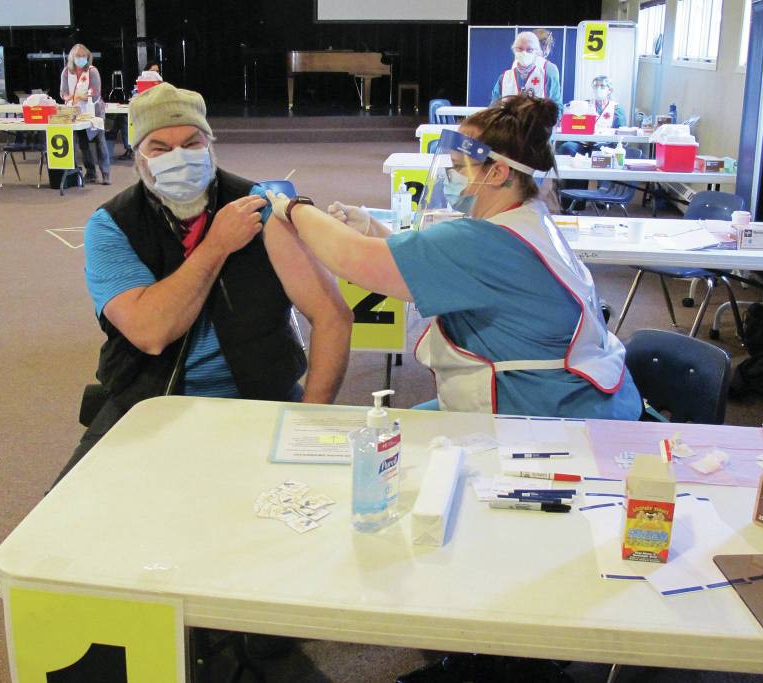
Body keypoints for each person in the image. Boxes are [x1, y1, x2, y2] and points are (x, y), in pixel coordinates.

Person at [266, 94, 642, 421]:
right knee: (401, 430)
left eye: (461, 168)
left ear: (498, 172)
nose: (452, 176)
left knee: (396, 445)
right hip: (585, 398)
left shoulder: (480, 241)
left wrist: (295, 208)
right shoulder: (528, 219)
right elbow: (430, 265)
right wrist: (372, 228)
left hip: (546, 418)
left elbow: (351, 260)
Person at [54, 82, 352, 484]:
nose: (179, 158)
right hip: (148, 400)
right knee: (69, 519)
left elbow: (332, 315)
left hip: (258, 399)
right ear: (139, 156)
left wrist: (312, 424)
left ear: (211, 144)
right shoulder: (112, 227)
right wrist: (217, 245)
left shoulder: (260, 208)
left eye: (192, 143)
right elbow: (151, 332)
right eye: (160, 149)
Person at [60, 44, 112, 184]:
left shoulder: (92, 71)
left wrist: (79, 97)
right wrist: (68, 98)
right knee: (83, 144)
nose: (81, 59)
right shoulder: (66, 72)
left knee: (100, 142)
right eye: (78, 56)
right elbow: (63, 92)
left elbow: (95, 94)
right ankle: (91, 172)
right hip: (76, 113)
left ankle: (106, 173)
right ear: (72, 57)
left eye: (84, 56)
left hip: (94, 111)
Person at [491, 32, 562, 118]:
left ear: (537, 52)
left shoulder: (547, 77)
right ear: (514, 50)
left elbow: (557, 109)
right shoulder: (504, 78)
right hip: (509, 129)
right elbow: (493, 109)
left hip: (537, 129)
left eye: (529, 50)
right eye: (520, 49)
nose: (524, 53)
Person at [558, 75, 628, 157]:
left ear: (610, 90)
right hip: (583, 144)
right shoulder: (584, 105)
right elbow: (573, 123)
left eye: (602, 86)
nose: (598, 89)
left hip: (604, 145)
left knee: (600, 152)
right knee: (567, 147)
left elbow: (620, 133)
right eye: (596, 86)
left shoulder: (617, 109)